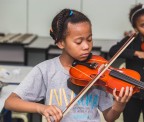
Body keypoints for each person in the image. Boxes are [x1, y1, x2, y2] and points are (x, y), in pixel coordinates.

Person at [4, 9, 133, 122]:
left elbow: (109, 117)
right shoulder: (46, 70)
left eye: (89, 39)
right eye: (78, 42)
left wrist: (118, 106)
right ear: (60, 43)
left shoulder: (99, 71)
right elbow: (10, 102)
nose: (86, 46)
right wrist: (41, 108)